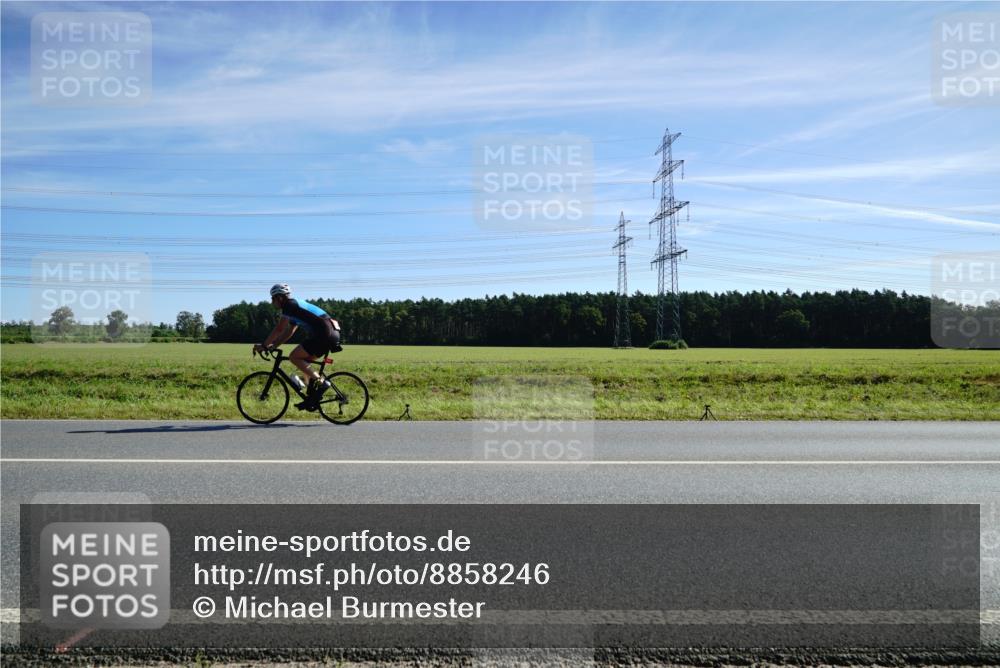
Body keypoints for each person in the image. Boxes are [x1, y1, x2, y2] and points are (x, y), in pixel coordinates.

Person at [254, 284, 341, 410]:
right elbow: (289, 331)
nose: (271, 301)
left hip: (324, 334)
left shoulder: (289, 306)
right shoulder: (294, 308)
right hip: (330, 333)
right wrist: (273, 346)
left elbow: (279, 329)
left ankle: (322, 383)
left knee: (294, 357)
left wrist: (264, 345)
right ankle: (311, 399)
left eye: (273, 298)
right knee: (305, 364)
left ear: (280, 298)